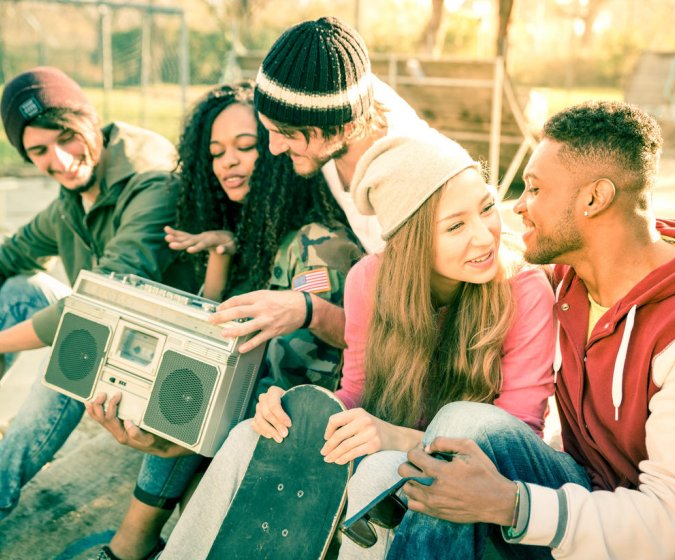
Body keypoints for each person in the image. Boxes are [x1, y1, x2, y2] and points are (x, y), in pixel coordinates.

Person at [157, 131, 557, 559]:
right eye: (456, 225)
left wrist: (393, 437)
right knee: (250, 437)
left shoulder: (524, 289)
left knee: (381, 471)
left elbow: (514, 442)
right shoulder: (369, 280)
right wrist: (298, 411)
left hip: (482, 492)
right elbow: (355, 393)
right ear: (410, 239)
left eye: (486, 208)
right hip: (400, 456)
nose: (485, 237)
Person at [378, 101, 675, 560]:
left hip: (640, 537)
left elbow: (672, 527)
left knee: (464, 425)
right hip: (572, 496)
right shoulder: (561, 280)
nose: (518, 206)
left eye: (535, 189)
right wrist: (308, 307)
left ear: (593, 198)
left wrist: (511, 504)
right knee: (464, 431)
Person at [86, 83, 364, 560]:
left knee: (192, 408)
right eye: (216, 153)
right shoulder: (254, 236)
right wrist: (219, 259)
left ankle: (128, 547)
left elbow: (320, 368)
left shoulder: (317, 248)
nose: (227, 163)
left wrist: (191, 430)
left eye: (246, 146)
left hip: (298, 430)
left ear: (278, 150)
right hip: (252, 417)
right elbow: (209, 342)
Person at [0, 66, 196, 524]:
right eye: (39, 151)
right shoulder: (74, 195)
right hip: (109, 333)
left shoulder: (152, 182)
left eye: (64, 137)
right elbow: (13, 255)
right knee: (21, 289)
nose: (61, 159)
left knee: (76, 355)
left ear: (87, 122)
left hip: (168, 365)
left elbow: (107, 302)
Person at [211, 16, 429, 355]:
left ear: (338, 126)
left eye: (286, 134)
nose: (274, 148)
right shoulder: (341, 96)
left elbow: (405, 346)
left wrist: (307, 310)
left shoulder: (405, 190)